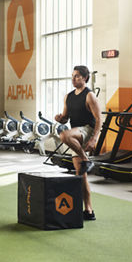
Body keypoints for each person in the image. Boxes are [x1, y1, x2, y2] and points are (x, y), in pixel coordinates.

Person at [55, 66, 102, 220]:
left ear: (85, 78)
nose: (73, 79)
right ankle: (89, 211)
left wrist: (94, 138)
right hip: (76, 133)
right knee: (81, 175)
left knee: (63, 136)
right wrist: (60, 118)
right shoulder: (68, 96)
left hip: (87, 131)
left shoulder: (89, 96)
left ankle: (85, 159)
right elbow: (65, 118)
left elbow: (99, 119)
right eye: (73, 76)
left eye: (77, 76)